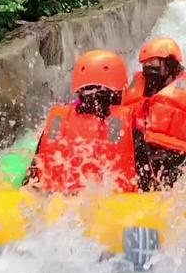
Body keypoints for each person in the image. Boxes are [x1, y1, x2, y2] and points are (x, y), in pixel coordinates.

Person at [26, 50, 138, 194]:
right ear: (118, 91)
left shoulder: (57, 121)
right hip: (113, 208)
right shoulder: (128, 125)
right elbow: (148, 185)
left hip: (56, 206)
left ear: (79, 90)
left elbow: (31, 181)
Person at [122, 37, 186, 191]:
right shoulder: (142, 86)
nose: (148, 69)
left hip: (174, 156)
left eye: (153, 63)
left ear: (169, 64)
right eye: (145, 65)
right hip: (144, 155)